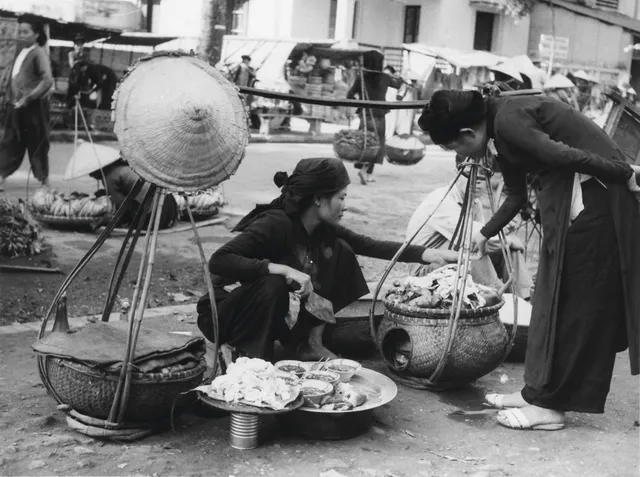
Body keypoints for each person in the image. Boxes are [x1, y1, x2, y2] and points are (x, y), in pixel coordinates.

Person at [418, 89, 640, 431]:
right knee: (547, 300)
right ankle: (535, 392)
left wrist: (622, 171)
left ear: (467, 134)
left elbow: (565, 156)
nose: (456, 154)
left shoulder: (508, 120)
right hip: (569, 207)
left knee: (577, 306)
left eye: (452, 148)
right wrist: (484, 233)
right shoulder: (499, 131)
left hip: (598, 204)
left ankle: (551, 407)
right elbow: (516, 194)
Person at [196, 157, 458, 363]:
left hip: (273, 311)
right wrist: (282, 269)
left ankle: (310, 342)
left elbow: (367, 244)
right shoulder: (274, 224)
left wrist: (428, 254)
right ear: (318, 198)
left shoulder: (322, 228)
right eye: (341, 197)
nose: (345, 205)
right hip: (226, 316)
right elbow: (219, 261)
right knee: (275, 282)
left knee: (342, 250)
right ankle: (253, 357)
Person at [406, 154, 534, 300]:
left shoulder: (475, 203)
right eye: (470, 175)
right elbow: (477, 239)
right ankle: (496, 298)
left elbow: (485, 240)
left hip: (455, 260)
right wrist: (506, 238)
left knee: (509, 250)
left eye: (483, 177)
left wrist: (504, 239)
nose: (477, 182)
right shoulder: (441, 201)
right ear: (457, 174)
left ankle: (524, 298)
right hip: (425, 271)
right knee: (473, 249)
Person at [0, 16, 53, 192]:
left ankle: (44, 181)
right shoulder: (21, 50)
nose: (21, 34)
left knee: (36, 142)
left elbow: (47, 80)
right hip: (16, 107)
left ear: (36, 34)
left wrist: (28, 98)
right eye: (19, 31)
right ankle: (1, 175)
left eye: (26, 32)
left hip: (33, 109)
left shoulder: (38, 52)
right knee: (10, 141)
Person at [347, 58, 402, 185]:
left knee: (366, 143)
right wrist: (399, 77)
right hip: (379, 115)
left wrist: (360, 101)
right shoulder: (385, 77)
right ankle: (366, 171)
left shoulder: (362, 77)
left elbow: (349, 95)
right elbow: (397, 84)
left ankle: (367, 173)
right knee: (377, 144)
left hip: (365, 115)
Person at [89, 158, 178, 230]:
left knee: (126, 216)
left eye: (91, 173)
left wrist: (107, 221)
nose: (91, 176)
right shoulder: (126, 167)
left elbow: (124, 206)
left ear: (98, 169)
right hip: (170, 210)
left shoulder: (109, 177)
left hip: (157, 216)